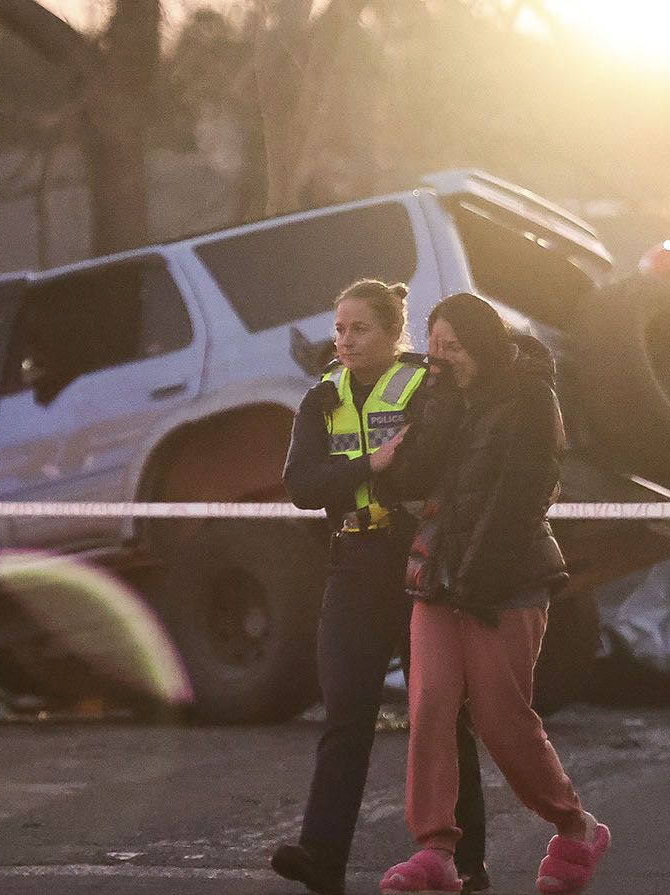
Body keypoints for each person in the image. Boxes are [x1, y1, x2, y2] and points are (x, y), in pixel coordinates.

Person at [378, 294, 607, 895]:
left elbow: (523, 493)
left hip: (506, 580)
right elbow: (413, 480)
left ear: (482, 344)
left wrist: (477, 578)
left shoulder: (532, 397)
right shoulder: (441, 400)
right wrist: (433, 412)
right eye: (434, 349)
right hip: (438, 577)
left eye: (453, 348)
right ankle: (435, 851)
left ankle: (574, 825)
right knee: (428, 710)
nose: (442, 360)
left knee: (503, 722)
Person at [272, 280, 490, 895]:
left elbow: (431, 466)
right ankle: (322, 857)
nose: (344, 341)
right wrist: (369, 465)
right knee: (345, 715)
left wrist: (387, 473)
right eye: (338, 329)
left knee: (443, 718)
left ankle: (468, 865)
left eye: (359, 329)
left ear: (395, 332)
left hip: (419, 565)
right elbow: (302, 485)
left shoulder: (428, 387)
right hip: (353, 566)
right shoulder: (321, 399)